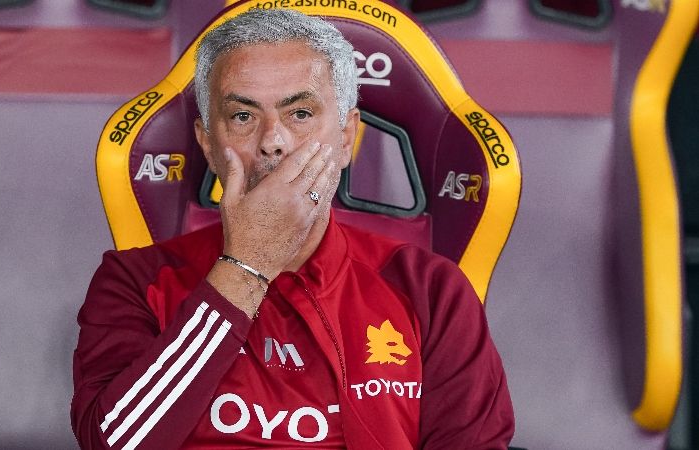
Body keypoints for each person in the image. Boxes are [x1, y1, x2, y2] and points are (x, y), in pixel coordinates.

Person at [71, 8, 514, 449]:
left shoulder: (433, 292)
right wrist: (246, 266)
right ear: (208, 144)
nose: (273, 141)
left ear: (346, 138)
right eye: (243, 116)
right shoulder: (135, 280)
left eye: (300, 113)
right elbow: (113, 444)